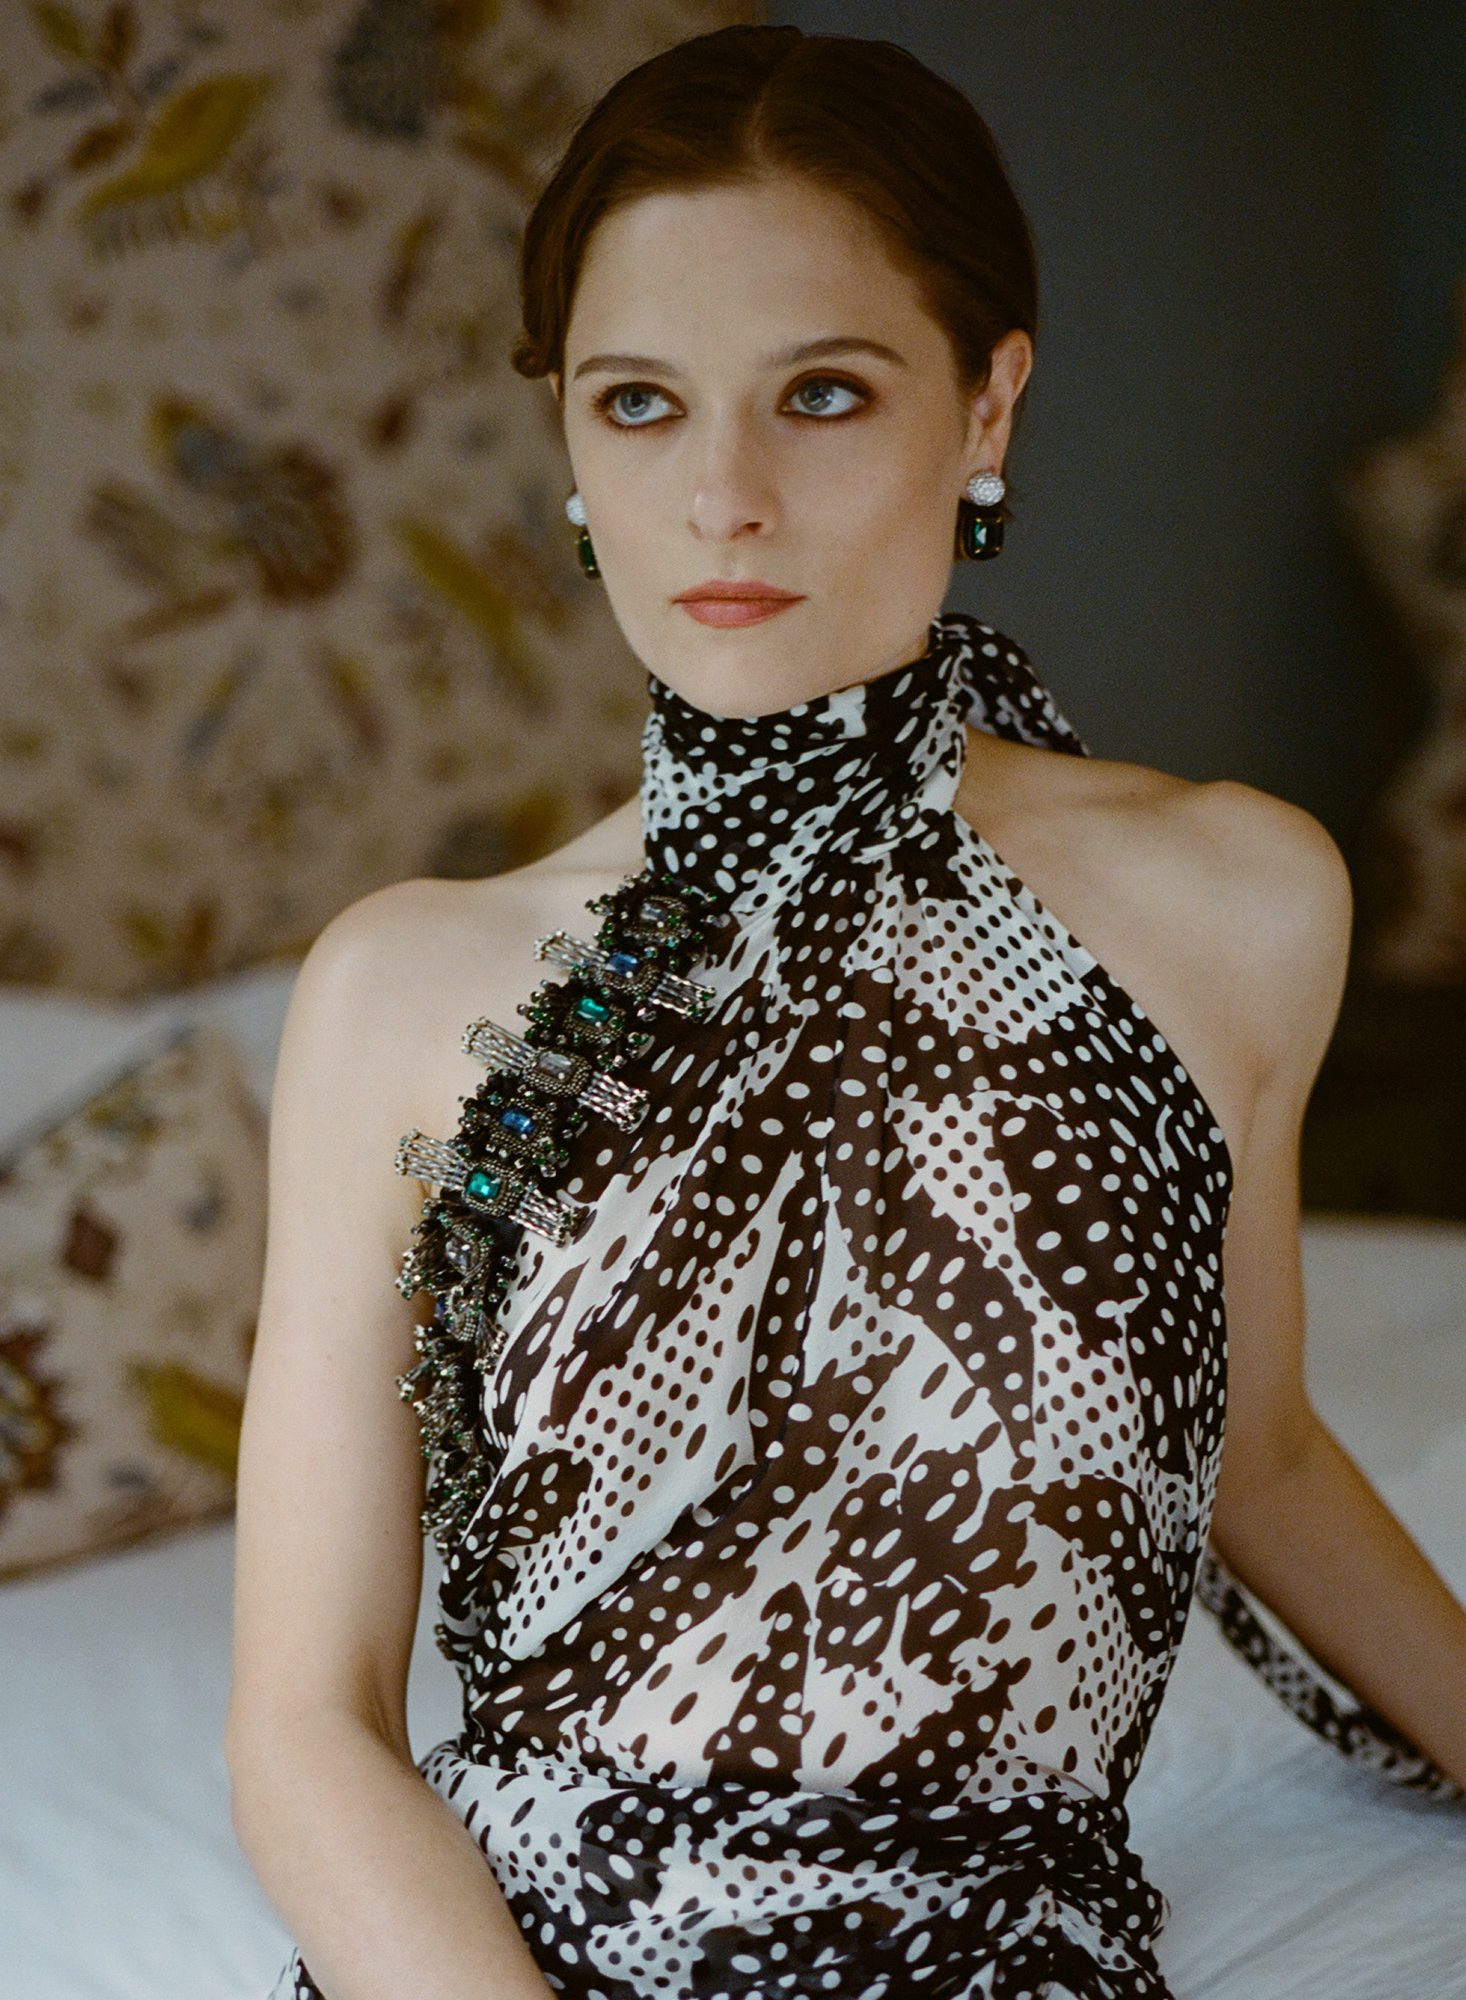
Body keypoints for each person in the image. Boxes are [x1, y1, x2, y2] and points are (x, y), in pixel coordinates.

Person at [227, 27, 1466, 2000]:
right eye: (640, 404)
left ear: (988, 407)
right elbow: (305, 1727)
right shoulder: (405, 987)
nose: (720, 496)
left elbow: (1259, 1450)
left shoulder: (1236, 901)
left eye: (820, 394)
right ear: (569, 446)